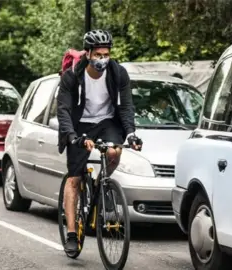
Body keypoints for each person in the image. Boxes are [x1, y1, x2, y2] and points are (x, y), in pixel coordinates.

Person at [57, 29, 143, 253]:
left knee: (114, 152)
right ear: (87, 53)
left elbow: (125, 106)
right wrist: (73, 137)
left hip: (107, 122)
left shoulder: (118, 73)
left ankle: (102, 184)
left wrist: (131, 132)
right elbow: (64, 110)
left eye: (106, 54)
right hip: (79, 124)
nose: (103, 59)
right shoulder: (72, 77)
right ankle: (72, 233)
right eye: (98, 55)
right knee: (74, 179)